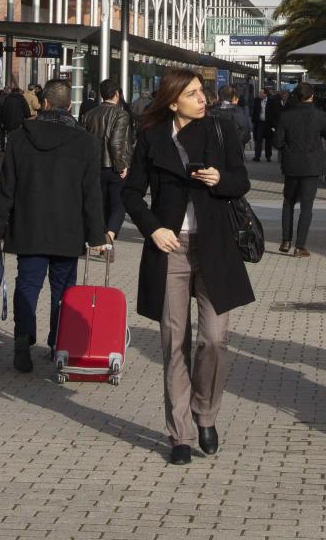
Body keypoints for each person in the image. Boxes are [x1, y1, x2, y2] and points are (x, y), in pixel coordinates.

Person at [124, 68, 255, 466]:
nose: (203, 99)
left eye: (203, 93)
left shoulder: (220, 131)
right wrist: (152, 229)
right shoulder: (151, 137)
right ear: (173, 99)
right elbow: (131, 193)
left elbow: (242, 181)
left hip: (214, 248)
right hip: (170, 250)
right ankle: (179, 434)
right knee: (173, 342)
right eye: (195, 94)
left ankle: (206, 413)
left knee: (213, 339)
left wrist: (220, 179)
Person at [0, 78, 107, 373]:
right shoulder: (86, 142)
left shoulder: (19, 138)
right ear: (70, 105)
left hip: (29, 225)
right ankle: (59, 342)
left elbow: (6, 187)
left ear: (44, 104)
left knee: (28, 284)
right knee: (64, 288)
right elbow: (91, 194)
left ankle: (22, 340)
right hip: (68, 229)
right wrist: (96, 235)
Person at [274, 88, 326, 256]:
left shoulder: (286, 116)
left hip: (291, 165)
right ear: (312, 96)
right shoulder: (319, 115)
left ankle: (286, 240)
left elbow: (277, 142)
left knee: (288, 202)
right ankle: (300, 246)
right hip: (311, 165)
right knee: (307, 206)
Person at [80, 77, 134, 247]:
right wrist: (122, 165)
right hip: (114, 167)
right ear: (117, 94)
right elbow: (116, 143)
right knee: (119, 203)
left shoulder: (88, 115)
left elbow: (84, 142)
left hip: (95, 166)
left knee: (101, 204)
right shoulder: (121, 114)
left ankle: (102, 242)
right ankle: (109, 235)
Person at [212, 85, 253, 150]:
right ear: (233, 97)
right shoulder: (239, 113)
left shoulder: (211, 113)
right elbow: (246, 136)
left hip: (215, 152)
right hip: (235, 152)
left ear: (218, 96)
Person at [0, 80, 32, 150]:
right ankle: (16, 148)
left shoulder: (8, 99)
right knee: (18, 136)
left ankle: (9, 147)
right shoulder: (21, 99)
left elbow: (4, 111)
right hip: (19, 121)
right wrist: (28, 117)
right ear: (18, 92)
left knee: (10, 135)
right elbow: (26, 110)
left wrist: (3, 121)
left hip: (9, 121)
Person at [250, 86, 274, 163]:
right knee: (258, 140)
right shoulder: (256, 100)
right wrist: (254, 121)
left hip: (268, 123)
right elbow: (253, 111)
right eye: (259, 93)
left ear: (265, 94)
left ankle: (268, 156)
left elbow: (273, 113)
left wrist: (273, 124)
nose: (259, 94)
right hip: (259, 123)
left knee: (268, 141)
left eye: (261, 93)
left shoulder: (271, 101)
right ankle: (257, 156)